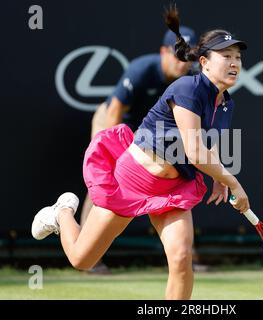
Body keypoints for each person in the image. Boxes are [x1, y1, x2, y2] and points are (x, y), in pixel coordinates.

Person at [31, 6, 249, 300]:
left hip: (173, 189)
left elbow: (210, 144)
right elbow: (195, 151)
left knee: (182, 258)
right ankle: (63, 213)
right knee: (83, 260)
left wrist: (219, 178)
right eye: (226, 56)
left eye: (238, 57)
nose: (234, 63)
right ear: (204, 62)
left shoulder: (226, 103)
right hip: (133, 179)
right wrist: (233, 181)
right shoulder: (187, 88)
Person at [81, 25, 197, 274]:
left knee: (175, 182)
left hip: (149, 133)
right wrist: (114, 157)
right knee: (104, 183)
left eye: (188, 57)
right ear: (163, 52)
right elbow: (114, 113)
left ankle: (186, 257)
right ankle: (88, 253)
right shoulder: (142, 70)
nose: (182, 63)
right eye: (178, 55)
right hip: (115, 122)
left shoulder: (191, 79)